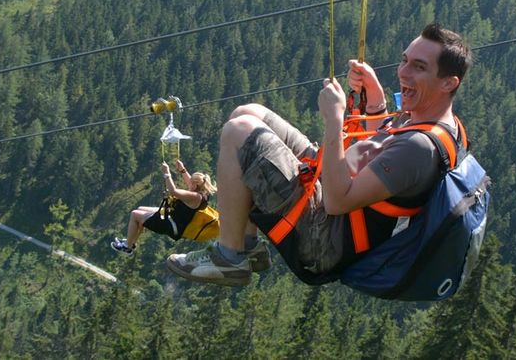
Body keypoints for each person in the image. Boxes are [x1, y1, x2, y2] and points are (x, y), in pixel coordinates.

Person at [165, 23, 474, 287]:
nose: (404, 73)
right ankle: (247, 244)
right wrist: (376, 99)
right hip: (336, 192)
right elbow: (381, 144)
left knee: (239, 131)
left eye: (419, 67)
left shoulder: (419, 149)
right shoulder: (438, 121)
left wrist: (334, 120)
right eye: (404, 61)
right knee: (249, 112)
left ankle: (229, 258)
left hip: (327, 238)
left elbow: (338, 201)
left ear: (449, 82)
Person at [109, 159, 220, 254]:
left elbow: (173, 191)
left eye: (191, 182)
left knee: (135, 214)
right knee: (140, 209)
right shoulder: (203, 193)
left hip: (171, 225)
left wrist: (167, 173)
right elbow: (189, 182)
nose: (188, 183)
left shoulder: (195, 197)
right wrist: (183, 170)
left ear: (196, 185)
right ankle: (131, 241)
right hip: (174, 218)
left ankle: (127, 247)